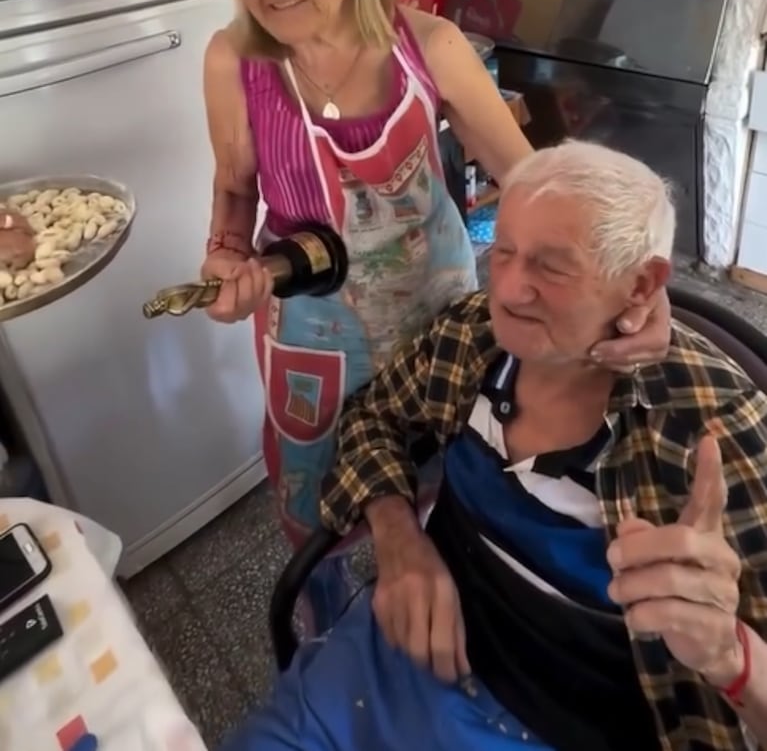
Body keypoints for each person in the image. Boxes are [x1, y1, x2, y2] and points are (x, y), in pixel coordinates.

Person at [202, 0, 671, 628]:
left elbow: (540, 183)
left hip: (442, 322)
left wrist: (637, 278)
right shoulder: (231, 62)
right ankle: (325, 633)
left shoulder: (431, 47)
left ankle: (449, 598)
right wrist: (224, 265)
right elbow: (232, 193)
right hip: (314, 338)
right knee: (321, 505)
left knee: (454, 480)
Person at [229, 141, 767, 751]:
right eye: (504, 251)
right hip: (396, 652)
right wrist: (398, 536)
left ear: (642, 284)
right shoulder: (471, 336)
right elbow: (372, 419)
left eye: (552, 267)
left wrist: (732, 657)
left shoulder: (715, 433)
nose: (508, 290)